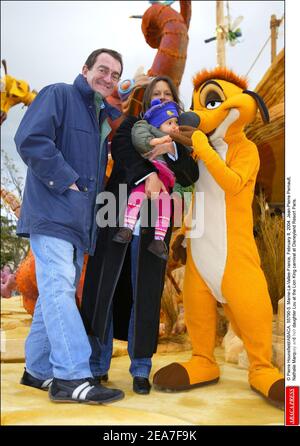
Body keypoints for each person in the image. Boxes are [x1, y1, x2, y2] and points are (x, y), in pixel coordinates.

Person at [14, 48, 125, 405]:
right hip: (52, 212)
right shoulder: (59, 94)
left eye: (115, 75)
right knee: (60, 289)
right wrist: (68, 180)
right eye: (102, 70)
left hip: (76, 222)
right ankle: (72, 376)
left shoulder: (100, 120)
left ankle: (38, 370)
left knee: (52, 294)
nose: (108, 79)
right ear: (86, 69)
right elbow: (29, 139)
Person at [80, 75, 199, 395]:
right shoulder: (132, 125)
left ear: (174, 99)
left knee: (145, 295)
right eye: (155, 94)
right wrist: (149, 174)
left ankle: (141, 369)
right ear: (146, 99)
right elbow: (122, 152)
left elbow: (190, 173)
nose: (161, 97)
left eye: (166, 93)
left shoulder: (183, 136)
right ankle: (96, 364)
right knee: (103, 292)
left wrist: (173, 146)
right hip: (116, 217)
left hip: (153, 229)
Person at [113, 98, 181, 260]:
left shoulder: (176, 140)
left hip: (165, 179)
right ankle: (127, 227)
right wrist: (162, 140)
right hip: (152, 170)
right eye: (169, 123)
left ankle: (158, 240)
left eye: (175, 122)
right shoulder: (147, 129)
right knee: (137, 194)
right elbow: (144, 142)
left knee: (166, 205)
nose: (174, 126)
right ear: (157, 125)